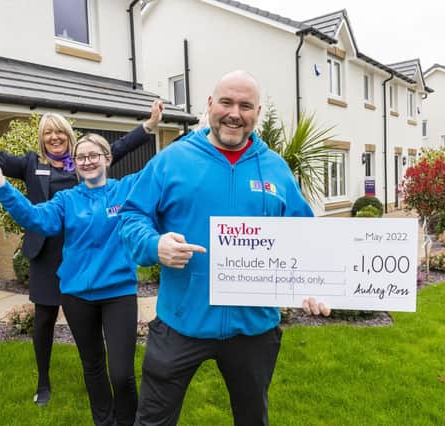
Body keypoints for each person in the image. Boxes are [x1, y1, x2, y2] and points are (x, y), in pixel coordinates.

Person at [119, 70, 330, 425]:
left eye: (245, 105)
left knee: (252, 419)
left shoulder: (276, 169)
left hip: (253, 328)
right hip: (181, 321)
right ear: (210, 105)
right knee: (153, 420)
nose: (235, 113)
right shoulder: (172, 160)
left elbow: (303, 235)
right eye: (227, 102)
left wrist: (313, 283)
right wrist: (154, 244)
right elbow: (131, 216)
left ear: (257, 112)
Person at [0, 101, 163, 407]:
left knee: (119, 371)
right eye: (48, 133)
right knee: (49, 325)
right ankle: (46, 383)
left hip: (101, 260)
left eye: (59, 132)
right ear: (42, 140)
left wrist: (149, 126)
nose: (54, 137)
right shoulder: (35, 168)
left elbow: (125, 150)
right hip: (52, 255)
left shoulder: (95, 166)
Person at [0, 132, 144, 425]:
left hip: (119, 293)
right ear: (74, 164)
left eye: (93, 155)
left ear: (107, 158)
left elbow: (166, 169)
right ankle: (104, 421)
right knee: (93, 366)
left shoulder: (126, 189)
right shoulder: (66, 200)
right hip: (77, 295)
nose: (87, 161)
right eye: (81, 157)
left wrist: (204, 134)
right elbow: (34, 218)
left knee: (122, 374)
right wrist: (1, 184)